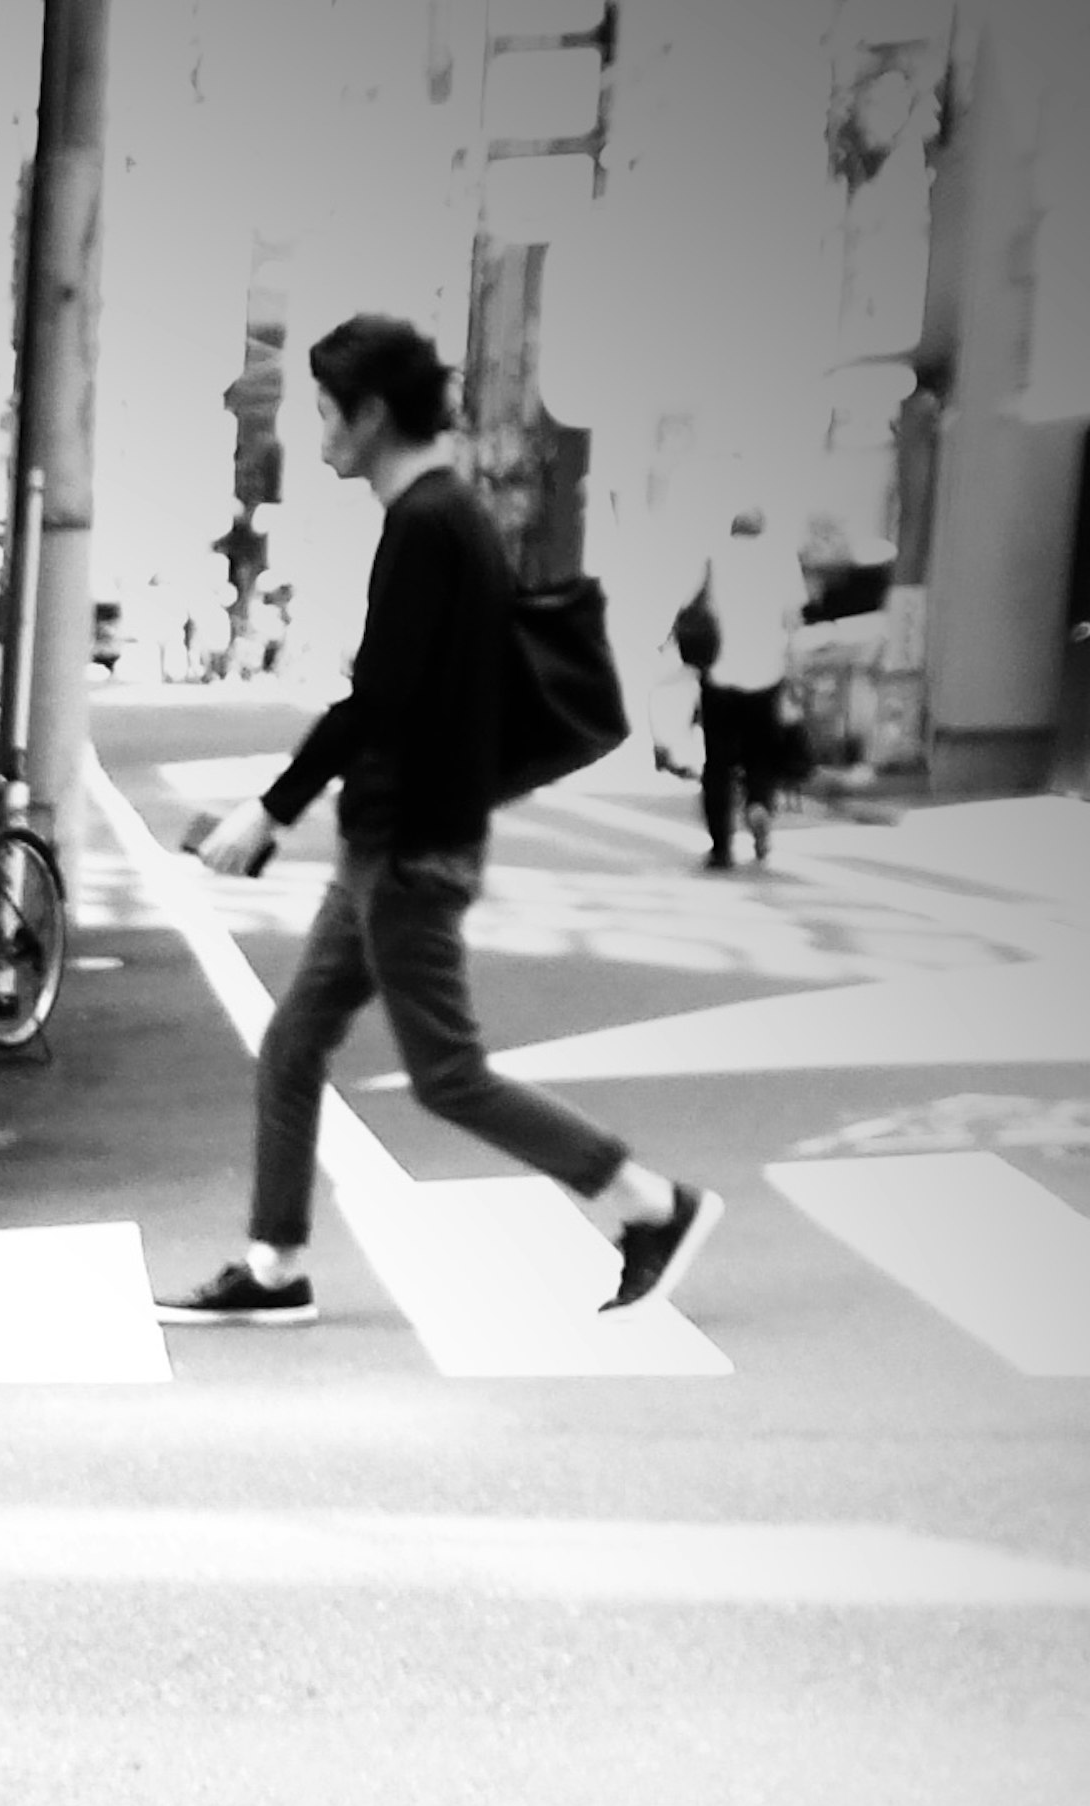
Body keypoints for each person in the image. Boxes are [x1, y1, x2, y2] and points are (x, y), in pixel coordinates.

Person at [154, 312, 718, 1327]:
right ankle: (275, 1265)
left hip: (411, 851)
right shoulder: (439, 515)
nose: (316, 431)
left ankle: (648, 1202)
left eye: (327, 412)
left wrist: (269, 812)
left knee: (449, 1075)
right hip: (395, 842)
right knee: (292, 1046)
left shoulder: (428, 522)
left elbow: (381, 698)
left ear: (371, 414)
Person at [692, 505, 801, 868]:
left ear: (734, 530)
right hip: (766, 674)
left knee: (718, 762)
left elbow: (696, 606)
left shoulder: (715, 557)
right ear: (762, 531)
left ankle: (721, 846)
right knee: (761, 754)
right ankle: (758, 806)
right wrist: (793, 668)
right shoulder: (782, 560)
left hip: (720, 674)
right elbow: (793, 619)